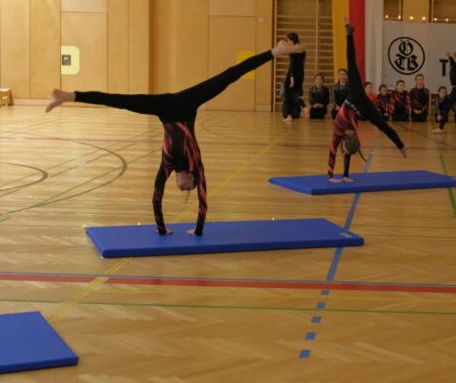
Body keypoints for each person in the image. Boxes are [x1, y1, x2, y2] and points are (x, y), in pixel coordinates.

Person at [45, 40, 303, 235]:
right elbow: (203, 202)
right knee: (229, 76)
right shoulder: (196, 165)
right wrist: (198, 230)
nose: (181, 187)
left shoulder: (166, 166)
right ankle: (275, 52)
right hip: (188, 105)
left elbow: (156, 198)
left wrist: (162, 230)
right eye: (187, 187)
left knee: (120, 101)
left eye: (180, 187)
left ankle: (68, 96)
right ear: (191, 179)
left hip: (165, 110)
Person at [328, 21, 407, 182]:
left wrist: (349, 35)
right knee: (345, 145)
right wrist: (331, 176)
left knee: (383, 126)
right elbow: (333, 149)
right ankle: (345, 175)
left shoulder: (345, 121)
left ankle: (401, 146)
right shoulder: (347, 131)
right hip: (359, 111)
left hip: (361, 102)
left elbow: (350, 59)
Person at [434, 52, 456, 136]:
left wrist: (449, 56)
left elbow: (453, 61)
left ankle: (440, 128)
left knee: (447, 107)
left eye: (455, 57)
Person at [281, 32, 306, 122]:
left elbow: (292, 64)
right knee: (295, 93)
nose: (287, 42)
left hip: (292, 73)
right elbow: (301, 64)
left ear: (292, 40)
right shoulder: (302, 49)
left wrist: (291, 77)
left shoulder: (293, 49)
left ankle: (289, 116)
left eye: (288, 40)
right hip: (300, 73)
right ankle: (304, 107)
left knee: (288, 93)